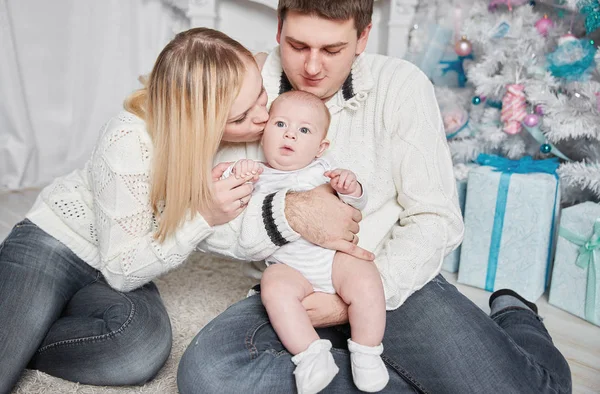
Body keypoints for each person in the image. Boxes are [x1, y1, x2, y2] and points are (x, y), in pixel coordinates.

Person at [177, 1, 572, 393]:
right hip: (293, 290)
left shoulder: (401, 84)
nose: (312, 67)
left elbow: (437, 217)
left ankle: (516, 316)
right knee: (208, 376)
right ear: (279, 29)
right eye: (298, 46)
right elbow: (206, 217)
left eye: (332, 50)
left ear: (362, 36)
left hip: (385, 278)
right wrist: (289, 212)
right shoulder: (248, 86)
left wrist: (357, 299)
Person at [0, 27, 270, 393]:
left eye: (261, 95)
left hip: (118, 260)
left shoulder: (233, 118)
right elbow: (122, 272)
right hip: (54, 244)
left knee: (138, 349)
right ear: (194, 120)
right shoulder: (129, 140)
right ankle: (21, 325)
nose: (262, 117)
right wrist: (202, 217)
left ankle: (31, 326)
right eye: (240, 118)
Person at [224, 90, 388, 393]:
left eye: (303, 130)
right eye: (280, 125)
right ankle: (311, 355)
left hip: (333, 261)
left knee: (365, 274)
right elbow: (226, 206)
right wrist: (236, 172)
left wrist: (351, 187)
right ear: (263, 133)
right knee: (272, 283)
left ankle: (366, 351)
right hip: (292, 270)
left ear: (320, 147)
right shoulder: (258, 176)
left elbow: (355, 204)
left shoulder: (323, 171)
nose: (290, 135)